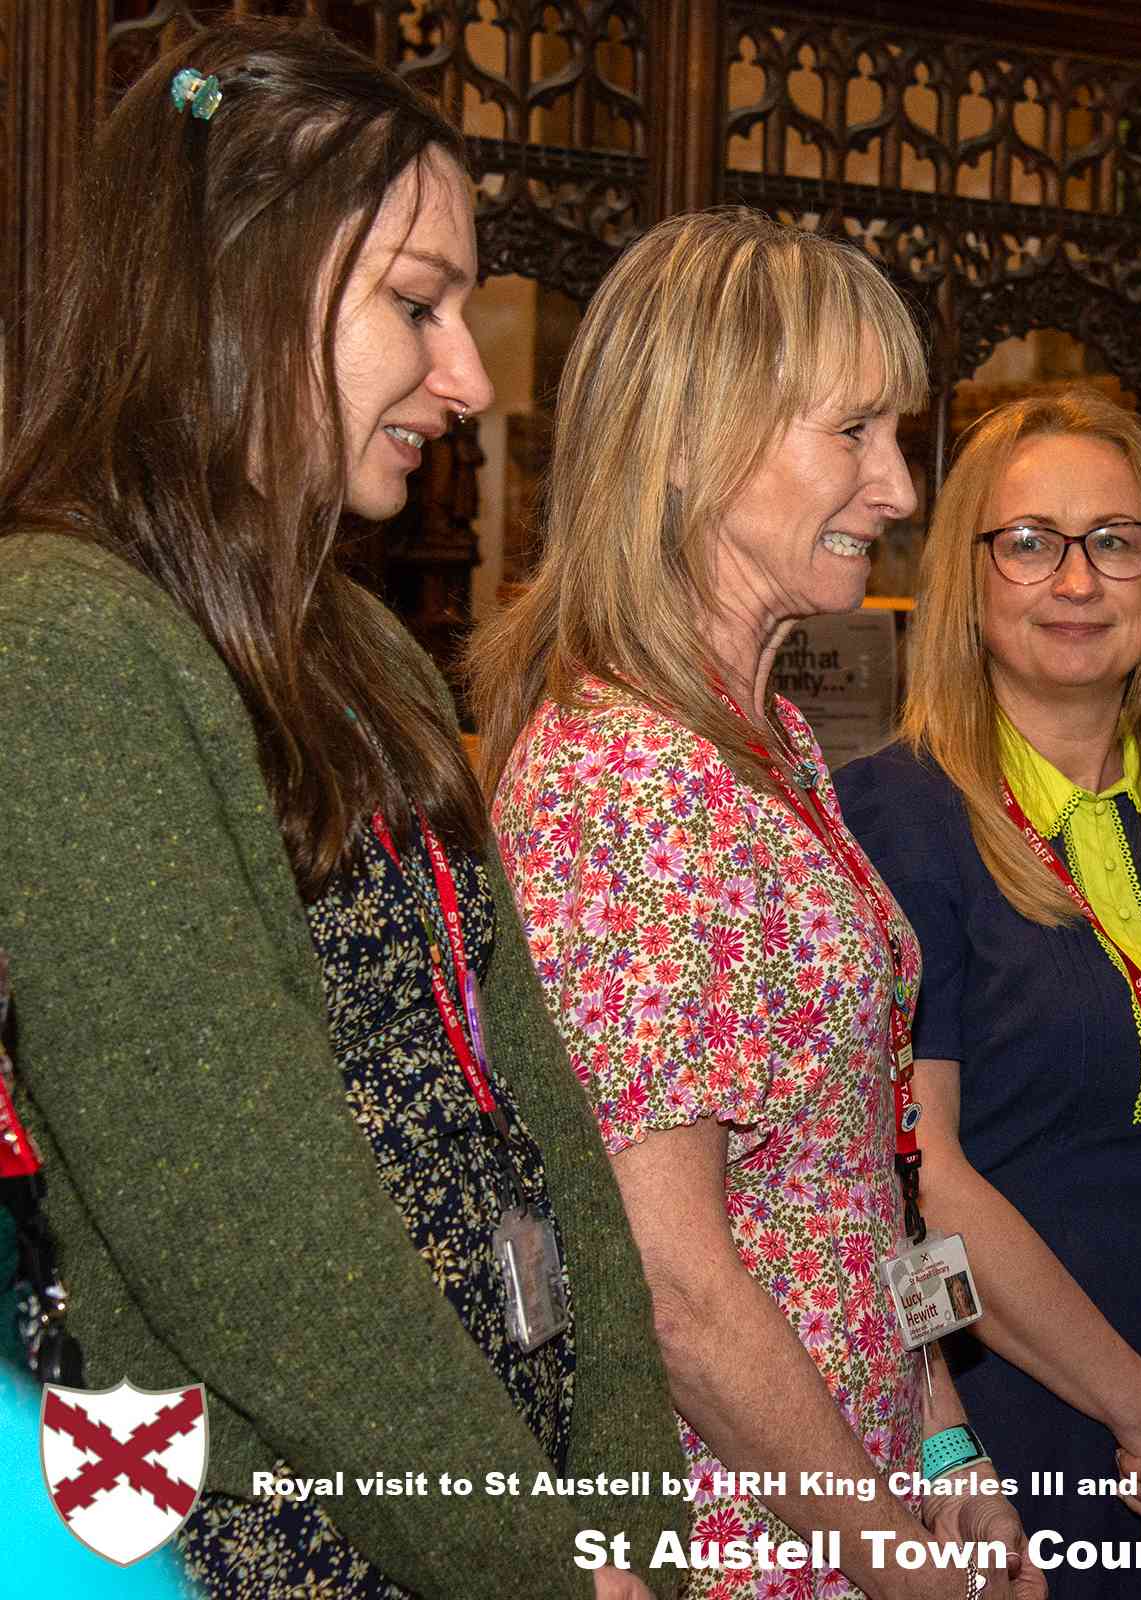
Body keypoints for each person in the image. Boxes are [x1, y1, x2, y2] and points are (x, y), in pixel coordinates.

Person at [0, 22, 681, 1598]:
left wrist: (630, 1514)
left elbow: (534, 1095)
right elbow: (240, 1211)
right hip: (270, 1528)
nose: (465, 378)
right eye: (417, 304)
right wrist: (534, 1555)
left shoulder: (354, 635)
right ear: (243, 275)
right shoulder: (61, 637)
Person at [472, 210, 1041, 1600]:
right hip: (742, 1542)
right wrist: (902, 1572)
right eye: (852, 432)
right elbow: (676, 1291)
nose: (900, 487)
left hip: (860, 1496)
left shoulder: (763, 738)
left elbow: (854, 1173)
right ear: (688, 439)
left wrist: (948, 1445)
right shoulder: (623, 778)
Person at [834, 392, 1141, 1596]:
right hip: (1025, 1428)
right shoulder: (904, 814)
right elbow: (923, 1171)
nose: (1078, 579)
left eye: (1116, 540)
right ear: (969, 575)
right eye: (1031, 541)